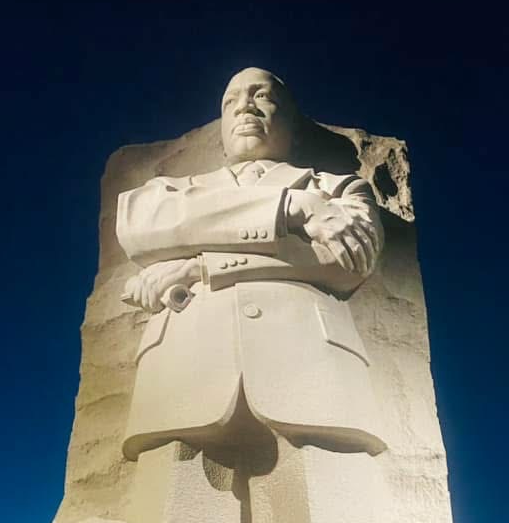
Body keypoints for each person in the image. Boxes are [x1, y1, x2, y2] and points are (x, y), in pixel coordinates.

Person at [117, 66, 386, 460]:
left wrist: (201, 266)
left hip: (312, 371)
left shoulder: (337, 187)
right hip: (182, 371)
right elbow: (141, 228)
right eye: (231, 100)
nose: (245, 107)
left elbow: (346, 261)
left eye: (262, 96)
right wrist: (290, 206)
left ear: (291, 126)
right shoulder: (171, 192)